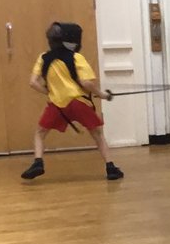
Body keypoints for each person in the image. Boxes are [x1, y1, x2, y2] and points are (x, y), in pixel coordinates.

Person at [21, 22, 123, 181]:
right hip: (79, 103)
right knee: (97, 134)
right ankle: (110, 167)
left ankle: (38, 162)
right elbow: (87, 83)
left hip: (57, 105)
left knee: (40, 133)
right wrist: (102, 95)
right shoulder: (76, 57)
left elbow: (33, 82)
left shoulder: (43, 57)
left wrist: (50, 92)